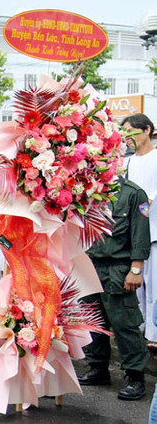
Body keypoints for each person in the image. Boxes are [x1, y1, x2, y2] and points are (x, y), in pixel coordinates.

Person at [80, 176, 151, 401]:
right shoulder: (87, 190)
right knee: (93, 320)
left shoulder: (132, 193)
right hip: (90, 264)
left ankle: (135, 376)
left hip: (118, 268)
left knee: (124, 323)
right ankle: (98, 368)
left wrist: (136, 268)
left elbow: (140, 234)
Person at [122, 114, 157, 350]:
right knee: (136, 287)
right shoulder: (127, 162)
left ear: (146, 130)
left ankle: (153, 335)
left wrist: (146, 204)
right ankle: (140, 330)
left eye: (130, 132)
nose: (127, 138)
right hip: (131, 233)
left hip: (153, 230)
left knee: (153, 286)